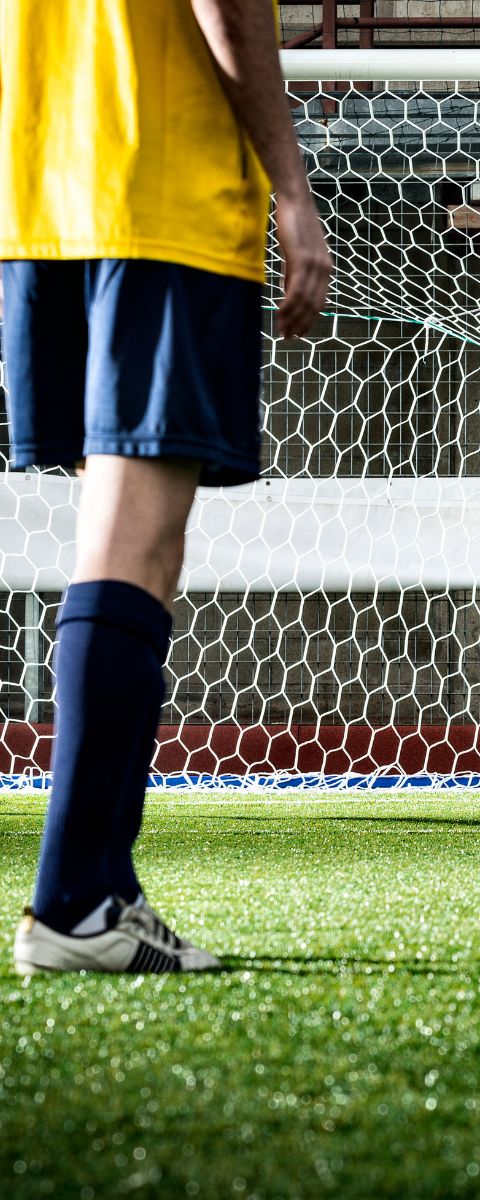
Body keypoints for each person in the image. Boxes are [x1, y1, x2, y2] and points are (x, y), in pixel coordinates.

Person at [3, 1, 331, 973]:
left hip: (39, 195)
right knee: (134, 543)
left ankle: (101, 889)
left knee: (125, 536)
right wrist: (291, 183)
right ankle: (74, 903)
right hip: (157, 185)